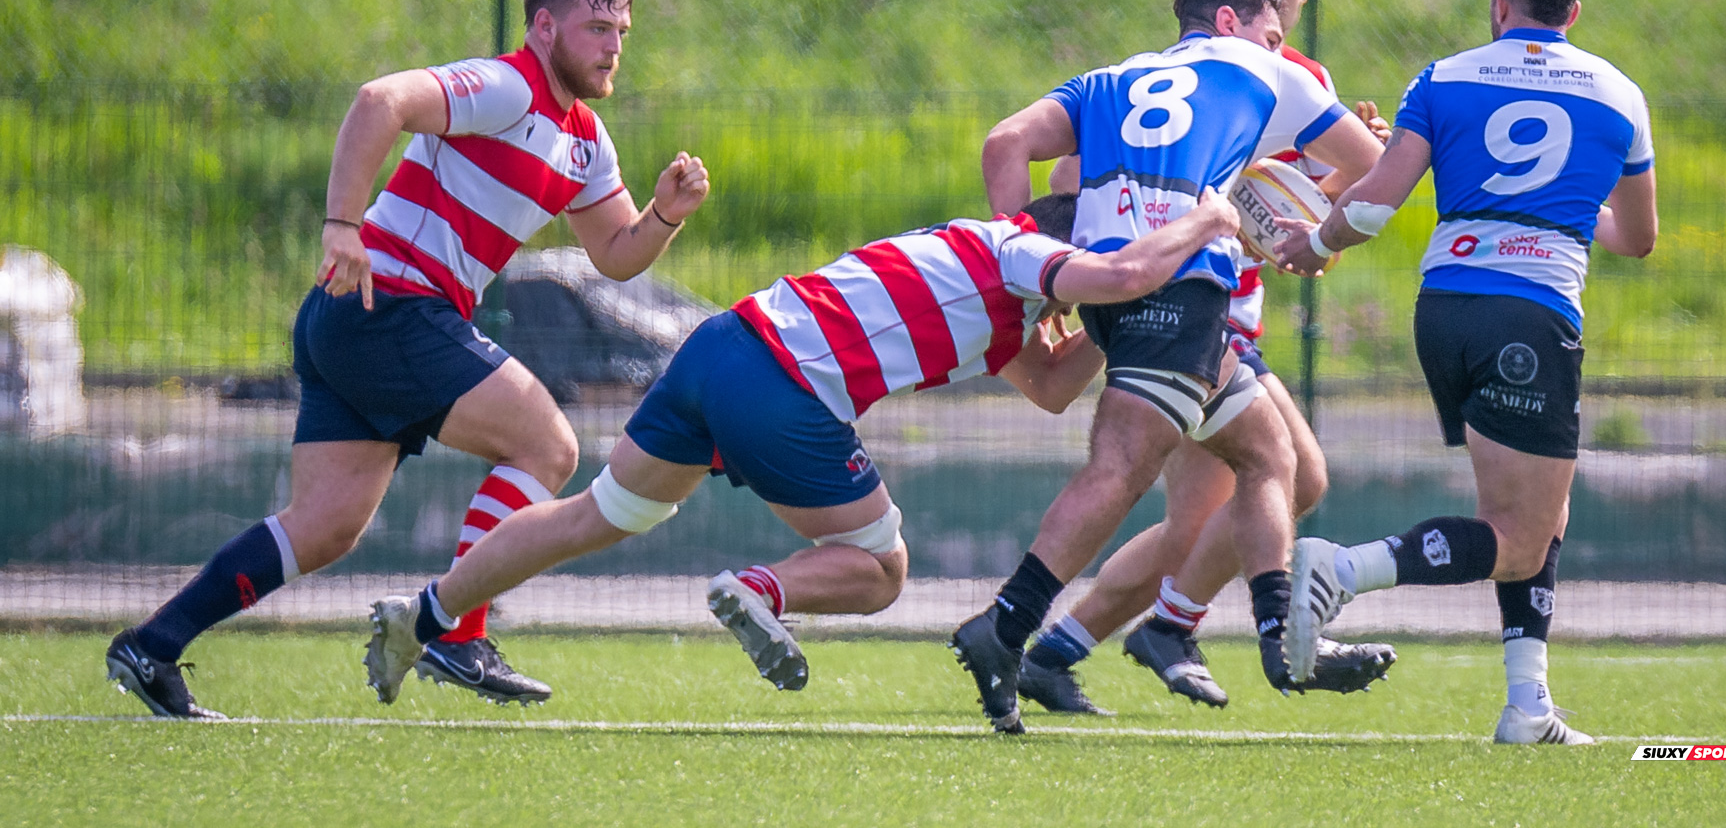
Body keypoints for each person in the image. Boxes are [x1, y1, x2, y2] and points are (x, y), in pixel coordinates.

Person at [105, 0, 710, 718]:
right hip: (386, 303)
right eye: (596, 27)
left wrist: (664, 214)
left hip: (361, 320)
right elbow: (378, 100)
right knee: (548, 445)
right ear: (545, 25)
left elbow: (616, 255)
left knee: (324, 527)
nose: (613, 45)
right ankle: (456, 630)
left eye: (620, 30)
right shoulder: (506, 86)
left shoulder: (586, 139)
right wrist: (342, 225)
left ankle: (151, 645)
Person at [361, 191, 1243, 702]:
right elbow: (1122, 274)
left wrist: (1106, 321)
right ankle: (759, 587)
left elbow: (1053, 387)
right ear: (1067, 244)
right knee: (882, 565)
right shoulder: (1022, 252)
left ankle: (425, 615)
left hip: (720, 345)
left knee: (600, 513)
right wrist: (1206, 223)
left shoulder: (988, 273)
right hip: (784, 383)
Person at [952, 0, 1388, 733]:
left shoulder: (1109, 80)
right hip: (1177, 289)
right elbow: (1379, 171)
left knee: (1271, 455)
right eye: (1272, 31)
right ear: (1230, 23)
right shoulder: (1273, 75)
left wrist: (1031, 270)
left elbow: (1004, 143)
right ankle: (1007, 627)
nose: (1279, 44)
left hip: (1107, 289)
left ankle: (1283, 638)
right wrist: (1316, 235)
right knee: (1120, 469)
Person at [1280, 0, 1657, 745]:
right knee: (1519, 537)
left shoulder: (1443, 77)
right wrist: (1561, 205)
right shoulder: (1619, 93)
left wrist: (1312, 245)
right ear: (1575, 12)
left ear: (1499, 4)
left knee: (1534, 518)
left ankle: (1529, 705)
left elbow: (1377, 201)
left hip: (1445, 306)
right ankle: (1342, 570)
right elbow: (1637, 236)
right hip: (1531, 315)